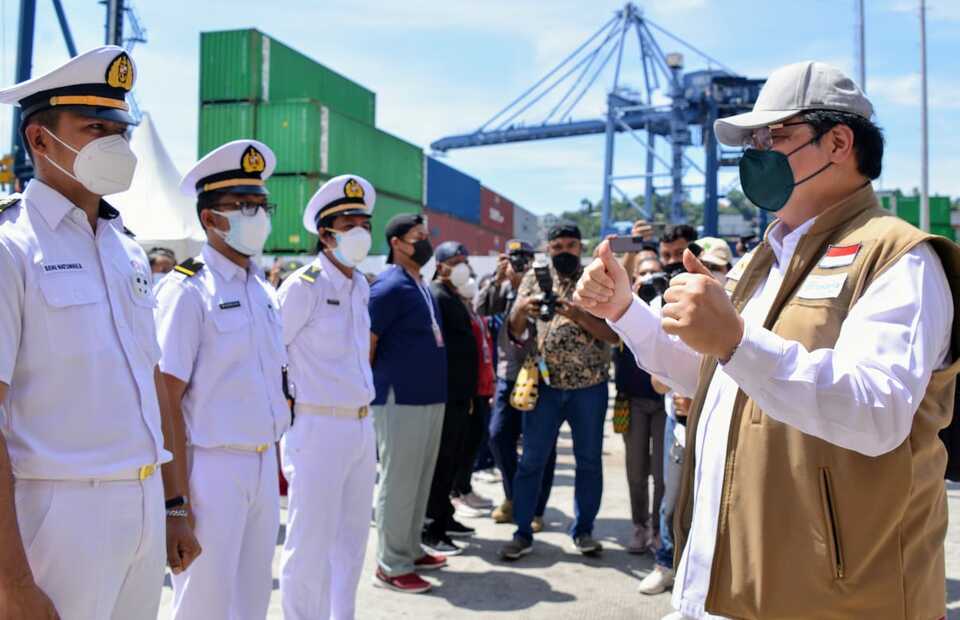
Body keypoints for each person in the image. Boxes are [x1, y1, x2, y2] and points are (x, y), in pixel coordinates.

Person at [576, 61, 960, 619]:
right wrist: (624, 311)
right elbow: (713, 377)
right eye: (751, 139)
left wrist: (735, 341)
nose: (755, 152)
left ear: (838, 142)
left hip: (835, 598)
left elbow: (876, 412)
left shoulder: (899, 258)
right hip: (728, 586)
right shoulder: (763, 259)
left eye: (772, 135)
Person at [0, 46, 199, 619]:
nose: (117, 143)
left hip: (139, 506)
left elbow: (149, 385)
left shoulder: (126, 249)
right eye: (96, 127)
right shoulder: (13, 247)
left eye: (121, 129)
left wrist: (173, 507)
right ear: (40, 140)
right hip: (59, 511)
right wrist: (12, 580)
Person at [156, 139, 290, 619]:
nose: (259, 215)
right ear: (211, 218)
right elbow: (166, 397)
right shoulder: (189, 289)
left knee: (251, 601)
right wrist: (176, 503)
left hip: (260, 464)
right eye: (245, 206)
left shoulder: (262, 289)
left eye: (262, 204)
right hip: (211, 468)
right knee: (203, 603)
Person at [277, 175, 379, 619]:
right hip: (317, 426)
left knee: (352, 542)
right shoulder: (305, 286)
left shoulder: (360, 285)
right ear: (326, 232)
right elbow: (269, 352)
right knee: (310, 544)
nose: (361, 231)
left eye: (365, 222)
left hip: (360, 424)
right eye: (350, 222)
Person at [499, 222, 619, 560]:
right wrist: (523, 308)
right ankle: (522, 531)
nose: (564, 251)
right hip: (545, 388)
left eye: (570, 245)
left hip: (589, 387)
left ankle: (583, 532)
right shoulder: (535, 277)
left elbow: (613, 335)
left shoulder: (599, 278)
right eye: (557, 247)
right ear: (548, 249)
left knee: (589, 462)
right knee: (531, 462)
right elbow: (515, 330)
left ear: (580, 246)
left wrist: (578, 314)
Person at [369, 213, 447, 594]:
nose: (425, 242)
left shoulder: (418, 284)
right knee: (398, 482)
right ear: (397, 242)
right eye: (419, 236)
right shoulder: (388, 286)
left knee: (418, 481)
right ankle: (390, 564)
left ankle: (410, 548)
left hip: (429, 397)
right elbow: (367, 345)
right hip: (400, 398)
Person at [475, 239, 557, 531]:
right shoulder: (501, 284)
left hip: (541, 372)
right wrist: (499, 280)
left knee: (541, 445)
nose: (519, 263)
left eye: (524, 257)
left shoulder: (546, 282)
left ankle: (535, 509)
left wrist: (530, 285)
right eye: (514, 258)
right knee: (497, 436)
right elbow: (480, 309)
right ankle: (513, 496)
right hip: (508, 372)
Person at [422, 241, 479, 555]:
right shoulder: (437, 295)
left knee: (453, 460)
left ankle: (446, 516)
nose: (461, 265)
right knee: (441, 464)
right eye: (455, 260)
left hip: (461, 394)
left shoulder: (455, 295)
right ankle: (433, 528)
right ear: (440, 264)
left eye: (464, 259)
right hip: (447, 393)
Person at [614, 256, 666, 554]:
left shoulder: (670, 302)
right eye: (642, 273)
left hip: (663, 402)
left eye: (653, 273)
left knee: (661, 475)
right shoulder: (623, 307)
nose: (648, 279)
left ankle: (658, 529)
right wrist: (629, 296)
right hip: (631, 400)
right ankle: (639, 525)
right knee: (636, 470)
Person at [450, 276, 497, 518]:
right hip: (470, 388)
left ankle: (466, 488)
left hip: (483, 385)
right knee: (463, 443)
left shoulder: (473, 311)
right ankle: (456, 493)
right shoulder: (458, 311)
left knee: (476, 438)